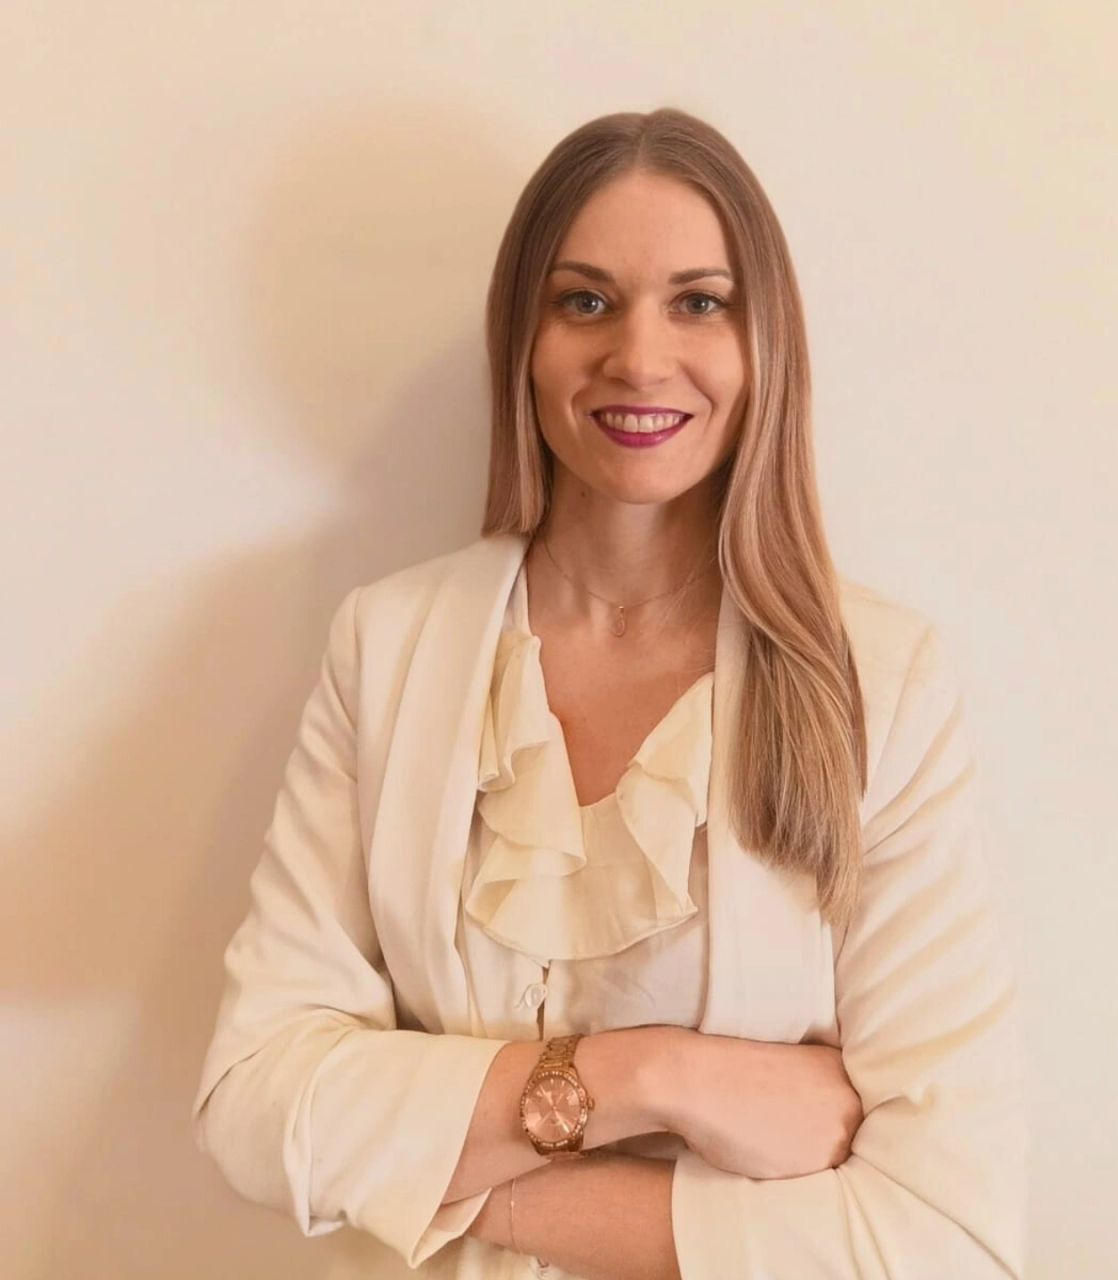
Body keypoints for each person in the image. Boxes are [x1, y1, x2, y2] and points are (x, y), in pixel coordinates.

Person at [192, 107, 1029, 1280]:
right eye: (584, 300)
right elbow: (251, 1102)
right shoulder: (389, 645)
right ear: (522, 341)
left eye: (698, 302)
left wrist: (435, 1173)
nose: (638, 357)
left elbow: (944, 1236)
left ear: (763, 343)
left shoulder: (876, 684)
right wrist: (654, 1074)